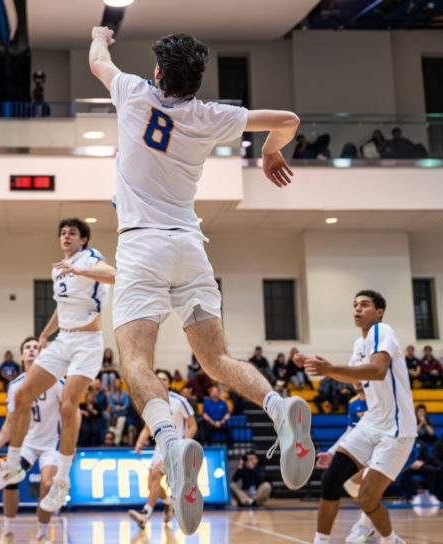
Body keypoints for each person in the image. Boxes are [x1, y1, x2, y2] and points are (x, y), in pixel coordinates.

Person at [88, 27, 315, 534]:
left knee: (137, 363)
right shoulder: (213, 115)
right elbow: (289, 120)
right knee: (217, 360)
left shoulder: (130, 91)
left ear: (157, 73)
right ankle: (279, 407)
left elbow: (97, 60)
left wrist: (100, 33)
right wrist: (273, 150)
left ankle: (171, 445)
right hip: (190, 248)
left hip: (143, 245)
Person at [0, 218, 115, 520]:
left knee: (69, 408)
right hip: (62, 339)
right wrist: (44, 334)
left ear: (83, 239)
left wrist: (82, 270)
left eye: (72, 233)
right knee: (23, 394)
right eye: (63, 233)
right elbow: (61, 308)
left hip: (88, 342)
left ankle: (61, 482)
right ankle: (12, 464)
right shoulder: (57, 269)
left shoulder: (90, 259)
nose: (66, 236)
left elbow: (113, 275)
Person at [298, 290, 414, 544]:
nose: (357, 310)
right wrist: (320, 367)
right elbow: (354, 378)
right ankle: (321, 541)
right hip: (373, 421)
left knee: (367, 497)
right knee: (330, 480)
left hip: (397, 428)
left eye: (364, 305)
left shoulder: (382, 331)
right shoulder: (359, 344)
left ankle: (390, 539)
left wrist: (330, 368)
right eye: (354, 305)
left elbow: (378, 370)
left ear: (379, 311)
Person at [0, 337, 63, 543]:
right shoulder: (15, 386)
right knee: (9, 479)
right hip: (26, 443)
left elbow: (69, 415)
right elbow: (10, 422)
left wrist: (68, 447)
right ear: (21, 355)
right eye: (27, 348)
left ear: (41, 353)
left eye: (35, 347)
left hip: (51, 444)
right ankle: (8, 530)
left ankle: (43, 534)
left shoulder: (56, 381)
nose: (31, 350)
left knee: (47, 485)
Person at [129, 370, 196, 528]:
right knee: (151, 483)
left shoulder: (179, 401)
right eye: (157, 379)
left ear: (169, 383)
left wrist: (183, 445)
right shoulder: (152, 403)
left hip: (175, 447)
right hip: (158, 448)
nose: (160, 382)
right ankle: (167, 502)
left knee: (155, 475)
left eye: (164, 379)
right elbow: (147, 427)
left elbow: (193, 426)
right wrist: (140, 442)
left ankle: (145, 513)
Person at [107, 377, 130, 444]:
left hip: (122, 413)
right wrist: (115, 407)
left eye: (118, 382)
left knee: (119, 429)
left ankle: (116, 443)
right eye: (115, 382)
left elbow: (127, 403)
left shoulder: (124, 392)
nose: (117, 384)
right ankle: (111, 443)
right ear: (114, 384)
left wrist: (122, 407)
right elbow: (110, 403)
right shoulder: (111, 393)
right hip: (114, 414)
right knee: (112, 429)